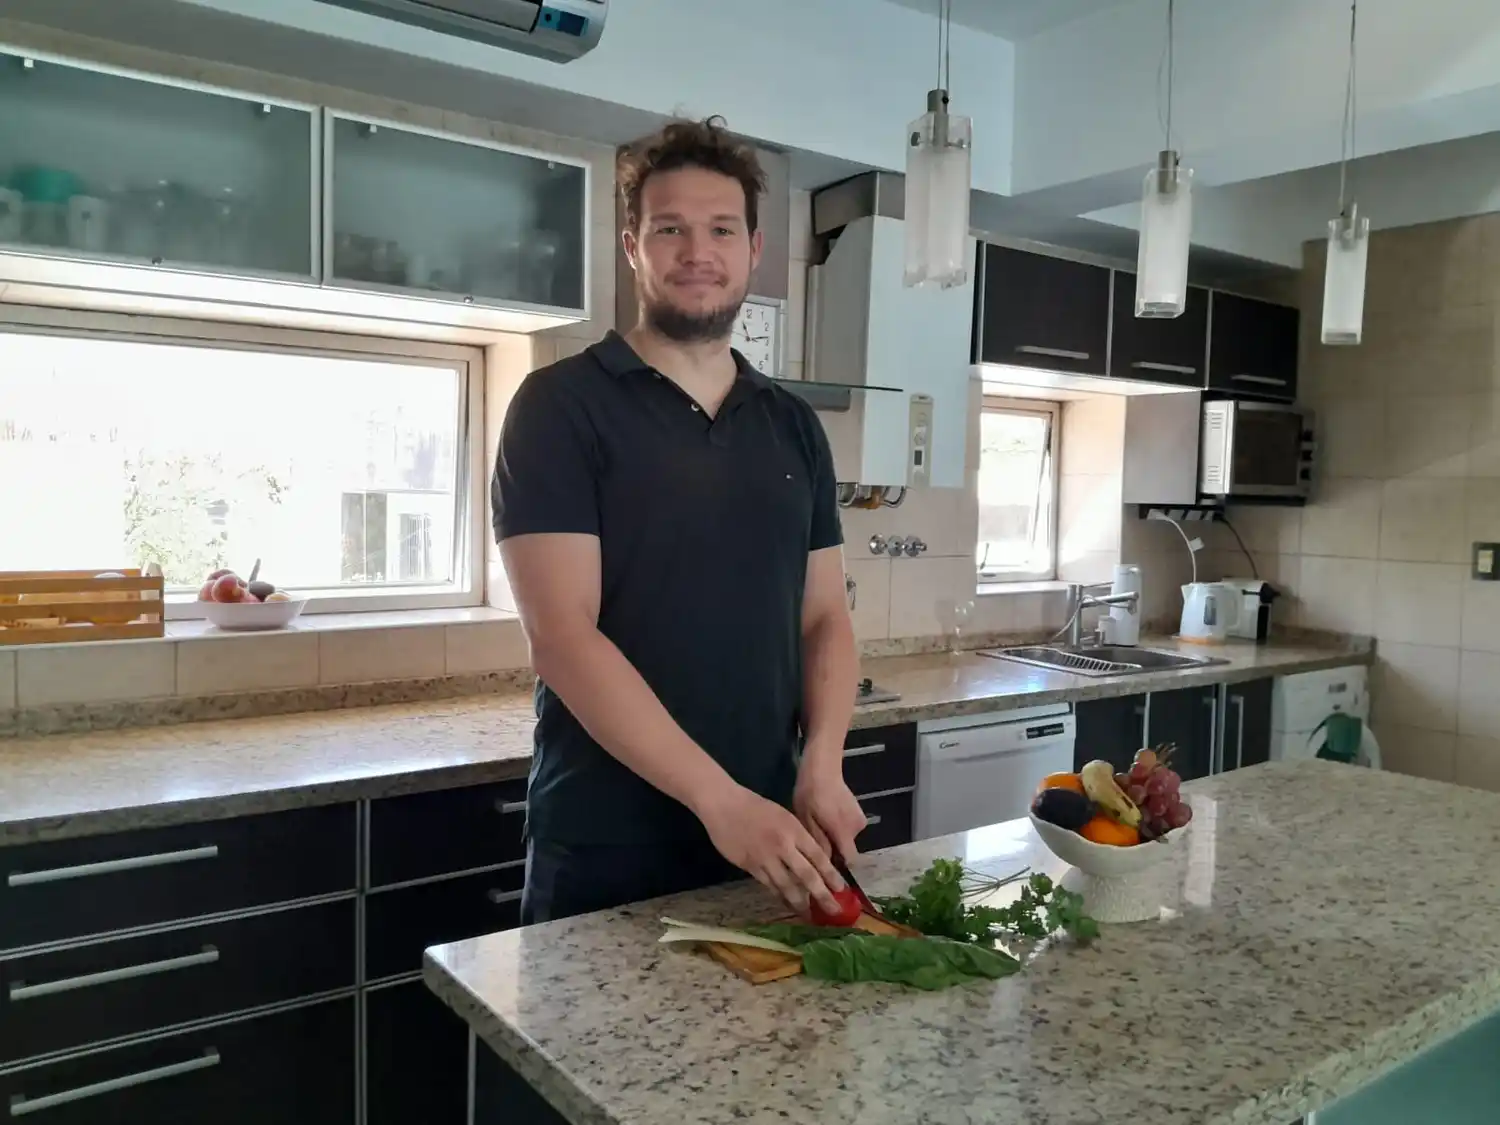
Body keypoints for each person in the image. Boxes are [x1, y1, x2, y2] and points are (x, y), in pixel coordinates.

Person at [492, 116, 865, 925]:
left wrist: (823, 764)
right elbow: (564, 637)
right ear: (633, 246)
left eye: (721, 229)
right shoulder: (560, 408)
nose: (699, 251)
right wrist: (717, 799)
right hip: (606, 843)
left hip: (769, 839)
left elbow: (826, 616)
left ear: (753, 250)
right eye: (670, 229)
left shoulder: (793, 423)